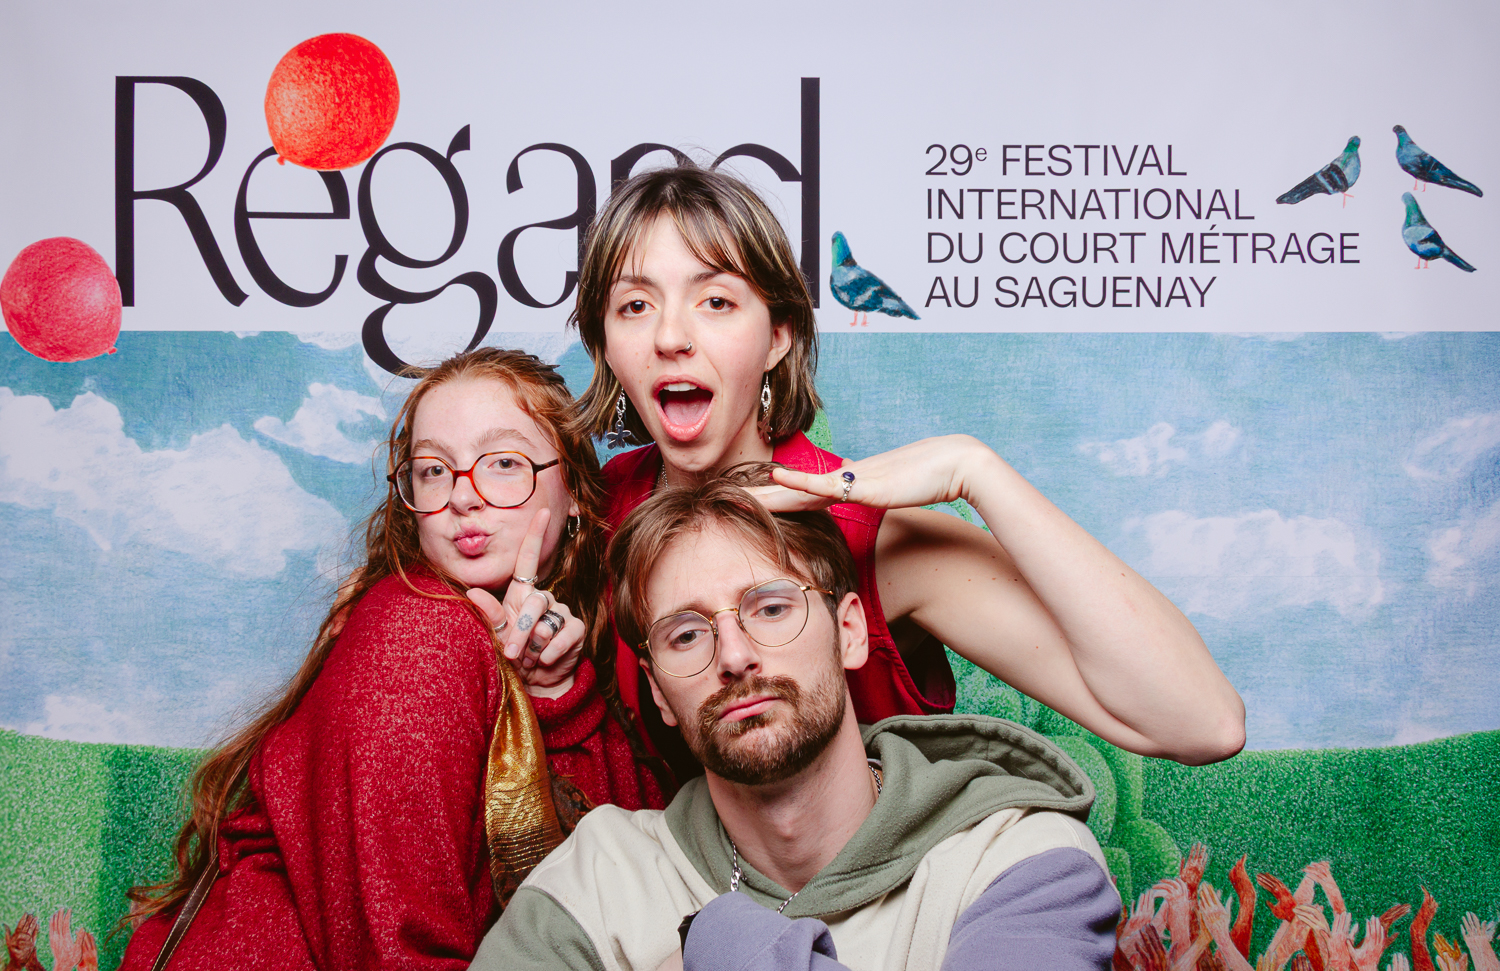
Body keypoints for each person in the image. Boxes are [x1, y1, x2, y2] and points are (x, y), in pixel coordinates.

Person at [565, 163, 1245, 774]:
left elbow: (1204, 724)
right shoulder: (594, 510)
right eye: (635, 306)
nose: (670, 337)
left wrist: (973, 468)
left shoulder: (875, 534)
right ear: (606, 345)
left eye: (716, 301)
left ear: (778, 336)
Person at [120, 349, 664, 971]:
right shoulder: (420, 630)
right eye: (433, 470)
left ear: (576, 494)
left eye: (504, 463)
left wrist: (556, 697)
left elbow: (626, 875)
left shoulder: (517, 637)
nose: (462, 496)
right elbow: (392, 950)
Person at [470, 477, 1122, 971]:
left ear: (850, 632)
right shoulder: (596, 880)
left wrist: (726, 947)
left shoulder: (1018, 859)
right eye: (687, 633)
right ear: (659, 692)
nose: (733, 656)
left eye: (772, 608)